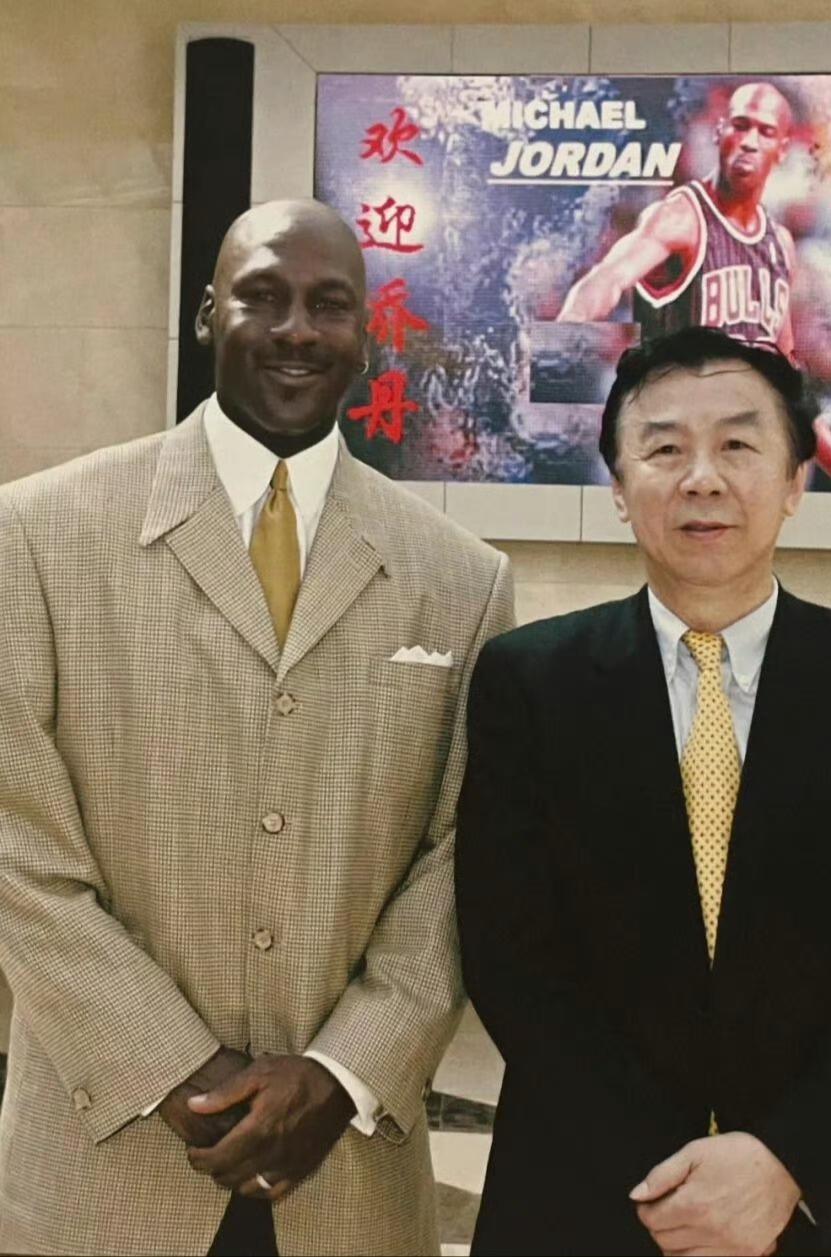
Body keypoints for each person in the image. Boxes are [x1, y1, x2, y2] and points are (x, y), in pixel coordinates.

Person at [0, 198, 514, 1257]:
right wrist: (174, 1069)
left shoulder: (461, 580)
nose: (296, 331)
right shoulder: (38, 535)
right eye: (262, 297)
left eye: (329, 305)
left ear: (366, 334)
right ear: (207, 314)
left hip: (351, 1178)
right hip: (105, 1169)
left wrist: (342, 1071)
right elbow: (18, 844)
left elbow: (466, 856)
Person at [456, 327, 831, 1256]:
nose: (703, 479)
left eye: (739, 445)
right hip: (581, 1199)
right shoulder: (530, 683)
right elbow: (511, 959)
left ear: (796, 481)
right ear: (618, 484)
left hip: (811, 1207)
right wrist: (673, 1180)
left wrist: (786, 1163)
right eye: (666, 448)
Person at [557, 82, 831, 493]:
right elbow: (600, 284)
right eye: (739, 124)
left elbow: (787, 374)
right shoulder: (676, 217)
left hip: (739, 455)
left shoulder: (782, 246)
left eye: (764, 131)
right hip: (665, 447)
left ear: (783, 149)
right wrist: (567, 357)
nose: (749, 141)